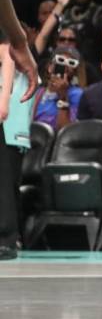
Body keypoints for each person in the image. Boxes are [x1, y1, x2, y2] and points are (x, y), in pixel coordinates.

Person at [0, 39, 33, 260]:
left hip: (7, 124)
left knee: (4, 183)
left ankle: (6, 240)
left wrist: (4, 100)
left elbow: (7, 53)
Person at [32, 47, 84, 130]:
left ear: (74, 71)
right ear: (49, 67)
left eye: (70, 63)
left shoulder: (77, 94)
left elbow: (66, 129)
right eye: (61, 60)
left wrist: (63, 95)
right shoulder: (38, 92)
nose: (65, 66)